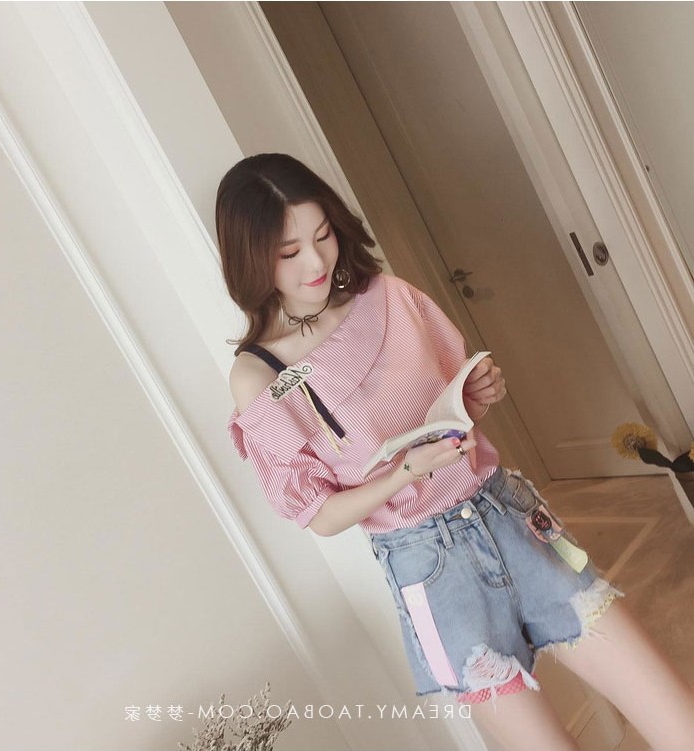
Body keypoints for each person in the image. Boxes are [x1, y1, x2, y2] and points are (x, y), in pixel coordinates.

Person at [217, 152, 694, 750]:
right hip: (430, 571)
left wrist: (475, 394)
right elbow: (322, 515)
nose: (316, 262)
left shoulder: (387, 297)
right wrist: (405, 472)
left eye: (322, 235)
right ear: (251, 258)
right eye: (289, 252)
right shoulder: (260, 376)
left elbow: (446, 405)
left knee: (679, 720)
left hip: (507, 517)